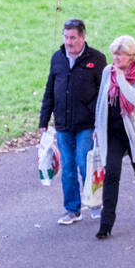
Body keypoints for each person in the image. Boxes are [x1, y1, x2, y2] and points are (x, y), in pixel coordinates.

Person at [39, 18, 106, 225]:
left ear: (83, 37)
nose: (69, 42)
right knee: (67, 167)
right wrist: (43, 121)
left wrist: (99, 123)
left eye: (73, 38)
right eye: (66, 37)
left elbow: (103, 94)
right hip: (63, 124)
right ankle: (72, 210)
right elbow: (50, 90)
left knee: (84, 165)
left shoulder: (97, 58)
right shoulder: (57, 58)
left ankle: (95, 204)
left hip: (87, 125)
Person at [93, 34, 135, 239]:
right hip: (113, 131)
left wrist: (121, 80)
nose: (116, 58)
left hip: (134, 130)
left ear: (132, 56)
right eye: (115, 54)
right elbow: (102, 100)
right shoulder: (106, 72)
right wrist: (97, 127)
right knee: (111, 174)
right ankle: (106, 225)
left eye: (121, 55)